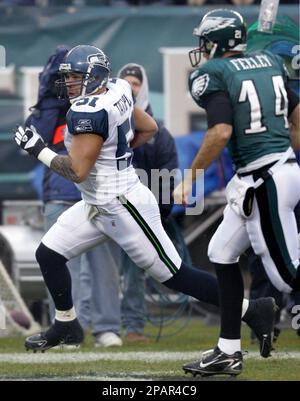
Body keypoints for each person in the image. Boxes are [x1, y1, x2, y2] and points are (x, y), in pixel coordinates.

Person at [14, 45, 275, 356]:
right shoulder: (118, 88)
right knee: (49, 254)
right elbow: (149, 127)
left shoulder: (88, 111)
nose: (68, 83)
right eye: (67, 77)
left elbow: (78, 172)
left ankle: (252, 310)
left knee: (176, 276)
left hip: (124, 205)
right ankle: (67, 323)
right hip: (97, 202)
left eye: (74, 77)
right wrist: (116, 152)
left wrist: (38, 149)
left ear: (94, 76)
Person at [174, 9, 300, 377]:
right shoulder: (272, 63)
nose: (200, 47)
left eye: (204, 40)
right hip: (273, 173)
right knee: (221, 252)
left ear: (216, 41)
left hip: (265, 179)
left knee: (287, 277)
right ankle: (228, 350)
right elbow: (296, 119)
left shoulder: (213, 73)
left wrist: (189, 178)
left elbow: (220, 132)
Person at [118, 63, 192, 341]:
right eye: (126, 82)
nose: (132, 87)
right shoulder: (110, 122)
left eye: (136, 83)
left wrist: (159, 213)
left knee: (136, 269)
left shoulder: (158, 133)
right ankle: (98, 325)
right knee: (95, 272)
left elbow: (168, 175)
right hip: (109, 208)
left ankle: (133, 326)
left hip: (140, 214)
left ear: (143, 87)